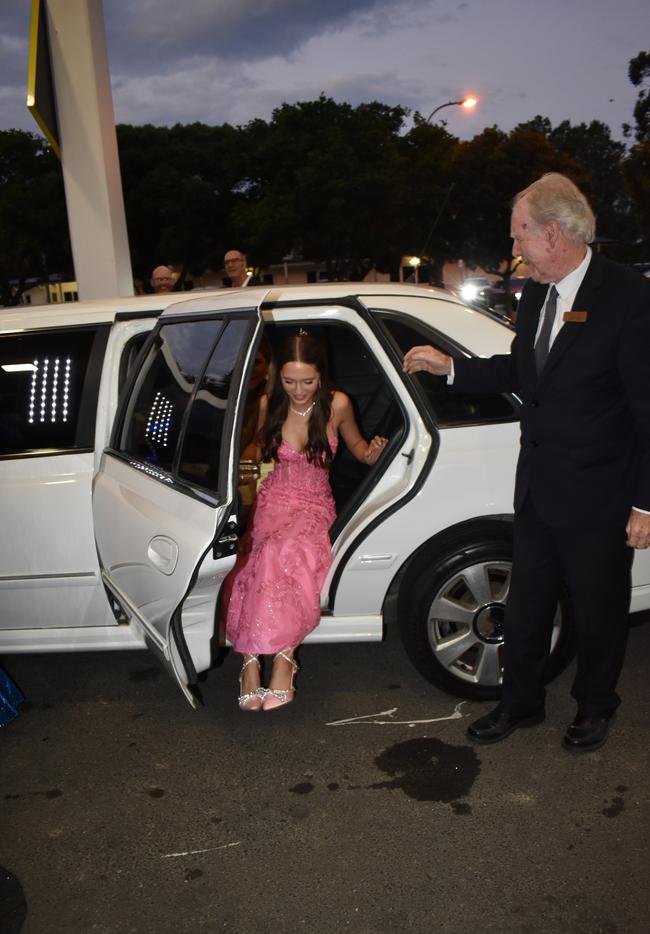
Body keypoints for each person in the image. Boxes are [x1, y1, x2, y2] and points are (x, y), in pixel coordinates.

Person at [403, 172, 650, 753]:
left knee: (597, 612)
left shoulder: (627, 298)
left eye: (519, 238)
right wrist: (453, 368)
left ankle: (595, 705)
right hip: (538, 488)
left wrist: (645, 501)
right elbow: (522, 372)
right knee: (528, 603)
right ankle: (521, 704)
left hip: (601, 495)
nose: (514, 252)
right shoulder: (538, 292)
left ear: (554, 233)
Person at [224, 331, 388, 712]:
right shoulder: (269, 404)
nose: (298, 390)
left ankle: (283, 657)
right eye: (289, 380)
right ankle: (250, 663)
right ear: (278, 376)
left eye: (308, 381)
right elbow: (260, 457)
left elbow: (360, 451)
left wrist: (375, 452)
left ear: (321, 376)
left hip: (314, 504)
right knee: (260, 555)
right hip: (273, 500)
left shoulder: (338, 404)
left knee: (288, 552)